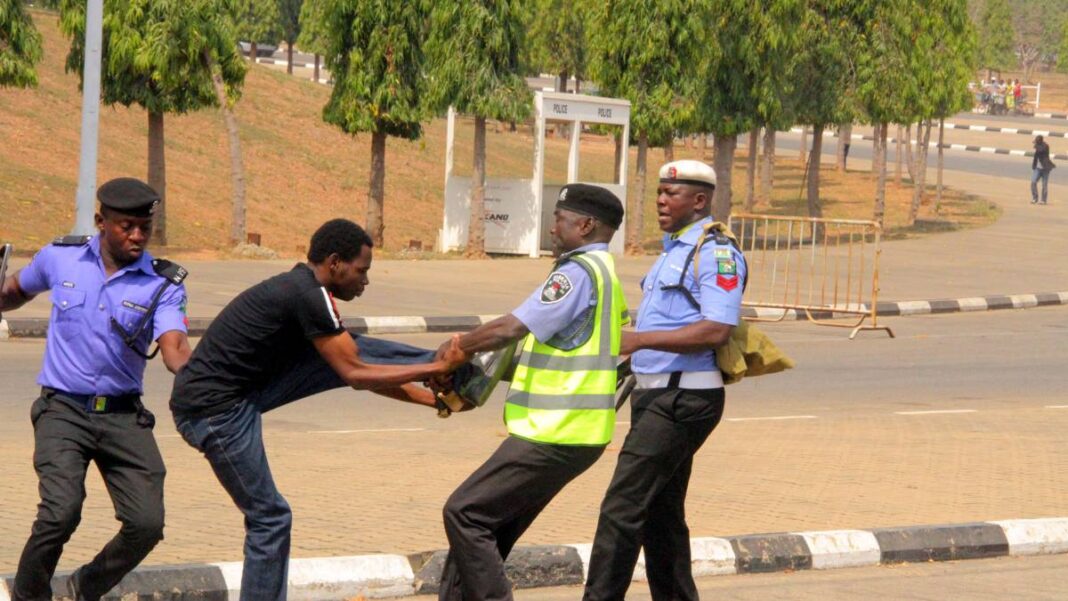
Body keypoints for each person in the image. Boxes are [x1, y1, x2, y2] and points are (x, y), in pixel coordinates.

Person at [169, 218, 469, 601]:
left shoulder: (304, 288)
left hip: (237, 398)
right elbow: (357, 374)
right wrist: (433, 369)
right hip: (214, 412)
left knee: (342, 352)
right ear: (335, 263)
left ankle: (451, 375)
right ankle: (447, 366)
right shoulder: (308, 296)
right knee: (270, 518)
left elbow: (350, 369)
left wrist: (434, 401)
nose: (365, 281)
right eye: (361, 271)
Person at [0, 178, 192, 601]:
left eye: (145, 227)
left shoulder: (163, 283)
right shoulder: (60, 258)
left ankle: (85, 587)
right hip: (62, 410)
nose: (138, 236)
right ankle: (28, 596)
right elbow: (14, 290)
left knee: (147, 523)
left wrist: (202, 376)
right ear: (101, 222)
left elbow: (175, 347)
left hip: (123, 416)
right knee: (60, 512)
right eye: (127, 226)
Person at [435, 184, 628, 601]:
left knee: (465, 513)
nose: (552, 228)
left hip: (554, 432)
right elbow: (573, 351)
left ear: (585, 225)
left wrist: (459, 346)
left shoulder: (576, 273)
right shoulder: (606, 273)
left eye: (559, 219)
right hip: (577, 434)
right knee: (486, 531)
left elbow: (512, 327)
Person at [582, 160, 747, 601]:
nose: (660, 200)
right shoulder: (674, 250)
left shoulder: (716, 252)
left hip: (683, 398)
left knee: (622, 508)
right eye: (659, 192)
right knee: (661, 514)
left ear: (700, 200)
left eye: (671, 193)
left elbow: (716, 329)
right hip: (657, 394)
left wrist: (637, 340)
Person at [1032, 135, 1056, 205]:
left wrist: (1036, 146)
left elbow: (1041, 150)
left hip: (1045, 169)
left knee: (1044, 185)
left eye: (1036, 142)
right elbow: (1035, 157)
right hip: (1038, 168)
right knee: (1033, 182)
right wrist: (1033, 166)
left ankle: (1043, 200)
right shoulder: (1038, 147)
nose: (1035, 143)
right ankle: (1035, 198)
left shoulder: (1046, 146)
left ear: (1039, 141)